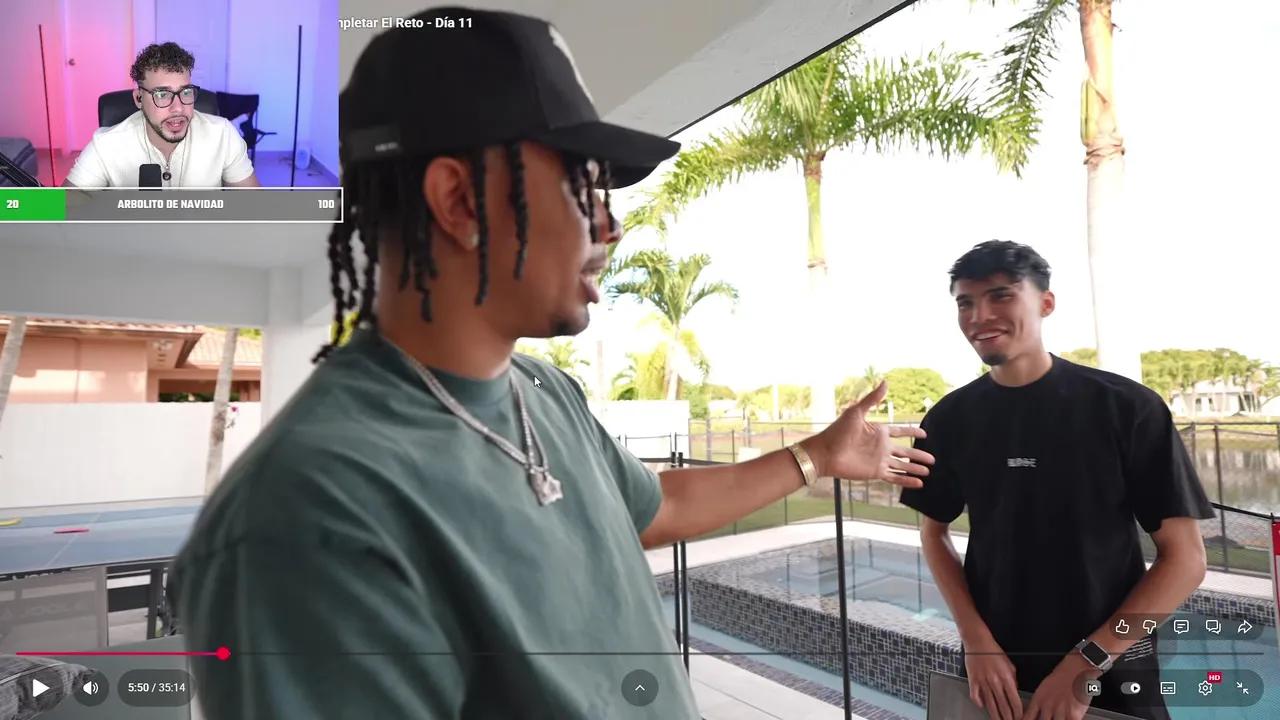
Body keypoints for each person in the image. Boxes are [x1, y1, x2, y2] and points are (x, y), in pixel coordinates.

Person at [167, 8, 934, 719]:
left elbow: (650, 509)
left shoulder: (543, 391)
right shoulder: (313, 513)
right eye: (582, 185)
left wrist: (815, 456)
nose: (612, 224)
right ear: (459, 201)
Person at [899, 240, 1214, 720]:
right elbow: (933, 532)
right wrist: (975, 639)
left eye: (1001, 296)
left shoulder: (1127, 408)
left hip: (1111, 669)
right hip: (997, 673)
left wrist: (1086, 663)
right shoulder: (950, 419)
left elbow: (1186, 560)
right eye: (965, 302)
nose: (979, 316)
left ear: (1046, 303)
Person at [62, 42, 260, 189]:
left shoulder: (222, 134)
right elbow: (58, 208)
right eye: (162, 94)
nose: (178, 108)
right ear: (139, 99)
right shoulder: (107, 144)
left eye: (186, 92)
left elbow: (254, 208)